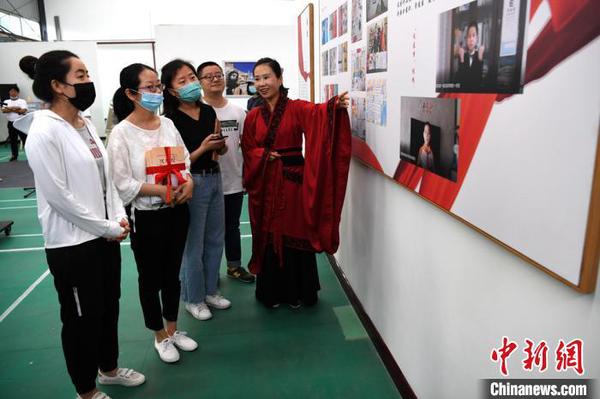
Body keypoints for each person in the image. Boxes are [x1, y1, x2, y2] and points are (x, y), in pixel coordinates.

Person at [23, 50, 145, 399]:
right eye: (80, 75)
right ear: (57, 86)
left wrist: (119, 214)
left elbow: (106, 179)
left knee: (108, 307)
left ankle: (108, 370)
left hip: (104, 238)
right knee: (80, 319)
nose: (88, 80)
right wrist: (105, 227)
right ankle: (86, 390)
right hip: (72, 246)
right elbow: (59, 197)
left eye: (87, 72)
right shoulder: (44, 132)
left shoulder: (85, 122)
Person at [242, 57, 351, 309]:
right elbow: (248, 149)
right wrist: (262, 155)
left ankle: (299, 292)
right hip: (265, 183)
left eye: (267, 77)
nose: (262, 83)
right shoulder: (253, 116)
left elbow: (319, 114)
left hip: (293, 183)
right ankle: (272, 292)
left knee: (296, 233)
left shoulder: (297, 108)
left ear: (280, 78)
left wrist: (333, 106)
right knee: (267, 235)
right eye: (257, 79)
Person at [108, 63, 198, 363]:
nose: (157, 92)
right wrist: (159, 191)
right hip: (147, 217)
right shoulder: (121, 134)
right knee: (151, 278)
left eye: (158, 86)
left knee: (173, 274)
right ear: (131, 93)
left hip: (177, 211)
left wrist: (189, 182)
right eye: (150, 87)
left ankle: (173, 330)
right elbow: (122, 182)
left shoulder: (168, 125)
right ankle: (158, 335)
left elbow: (184, 160)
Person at [161, 59, 232, 321]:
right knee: (193, 244)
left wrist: (219, 146)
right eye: (183, 81)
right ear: (170, 90)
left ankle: (211, 290)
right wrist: (203, 148)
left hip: (215, 177)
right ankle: (193, 297)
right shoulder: (169, 121)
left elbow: (219, 151)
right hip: (191, 182)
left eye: (192, 77)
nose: (191, 84)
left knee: (215, 238)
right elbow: (176, 164)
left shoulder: (209, 111)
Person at [198, 61, 255, 284]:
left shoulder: (239, 112)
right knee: (204, 230)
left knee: (232, 226)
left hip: (232, 179)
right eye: (208, 76)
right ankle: (207, 270)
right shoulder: (196, 111)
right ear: (200, 81)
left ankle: (234, 266)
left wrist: (247, 176)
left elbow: (248, 146)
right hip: (203, 180)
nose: (215, 79)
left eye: (218, 75)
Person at [2, 85, 28, 161]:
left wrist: (10, 108)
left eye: (14, 91)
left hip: (21, 123)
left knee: (25, 140)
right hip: (11, 123)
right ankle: (14, 155)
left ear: (17, 92)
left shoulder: (22, 101)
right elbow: (4, 110)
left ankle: (30, 155)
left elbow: (23, 111)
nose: (12, 92)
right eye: (11, 91)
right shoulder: (6, 101)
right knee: (13, 140)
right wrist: (17, 108)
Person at [456, 21, 485, 90]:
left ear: (477, 38)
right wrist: (462, 59)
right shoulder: (463, 55)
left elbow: (479, 80)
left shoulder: (480, 55)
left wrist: (480, 58)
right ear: (466, 39)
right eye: (469, 36)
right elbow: (460, 79)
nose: (471, 39)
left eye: (473, 35)